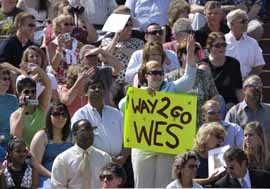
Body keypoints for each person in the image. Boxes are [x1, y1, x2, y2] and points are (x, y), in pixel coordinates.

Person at [118, 35, 196, 188]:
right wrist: (141, 94)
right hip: (142, 148)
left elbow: (189, 79)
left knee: (164, 186)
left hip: (166, 149)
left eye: (160, 72)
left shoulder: (172, 87)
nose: (158, 76)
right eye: (153, 73)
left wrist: (190, 53)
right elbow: (121, 106)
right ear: (145, 75)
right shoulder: (138, 92)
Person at [71, 78, 126, 163]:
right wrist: (105, 158)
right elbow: (80, 142)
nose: (97, 89)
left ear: (104, 92)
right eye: (93, 87)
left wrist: (123, 156)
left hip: (119, 164)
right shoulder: (80, 115)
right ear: (86, 93)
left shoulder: (116, 113)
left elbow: (127, 139)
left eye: (100, 87)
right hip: (92, 163)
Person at [100, 5, 144, 105]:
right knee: (107, 95)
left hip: (130, 81)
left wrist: (119, 49)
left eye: (130, 25)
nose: (129, 28)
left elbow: (139, 55)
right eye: (125, 25)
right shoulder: (107, 40)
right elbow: (104, 58)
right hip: (111, 80)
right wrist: (115, 39)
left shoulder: (138, 42)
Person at [51, 119, 112, 188]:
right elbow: (58, 186)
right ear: (75, 134)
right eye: (84, 130)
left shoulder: (104, 158)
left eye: (91, 130)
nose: (90, 133)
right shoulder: (62, 159)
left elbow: (110, 184)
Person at [30, 102, 73, 188]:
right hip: (47, 176)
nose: (60, 117)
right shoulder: (41, 136)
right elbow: (35, 163)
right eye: (56, 114)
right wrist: (53, 176)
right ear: (49, 116)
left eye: (64, 114)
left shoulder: (73, 136)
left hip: (69, 176)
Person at [10, 65, 51, 147]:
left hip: (44, 150)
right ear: (20, 94)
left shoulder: (41, 106)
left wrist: (38, 70)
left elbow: (48, 85)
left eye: (33, 91)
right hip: (26, 154)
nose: (30, 95)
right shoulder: (15, 115)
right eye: (26, 92)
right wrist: (23, 110)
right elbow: (16, 136)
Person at [201, 32, 242, 108]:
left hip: (231, 106)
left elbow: (239, 90)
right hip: (210, 108)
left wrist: (242, 107)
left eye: (224, 45)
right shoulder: (202, 65)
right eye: (217, 46)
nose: (221, 48)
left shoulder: (234, 63)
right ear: (209, 47)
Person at [225, 9, 265, 80]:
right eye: (242, 21)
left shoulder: (253, 43)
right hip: (225, 84)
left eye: (247, 21)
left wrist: (247, 80)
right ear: (231, 24)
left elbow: (259, 65)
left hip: (246, 86)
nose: (246, 23)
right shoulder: (222, 41)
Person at [47, 14, 83, 84]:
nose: (69, 27)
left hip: (76, 80)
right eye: (66, 24)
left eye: (71, 24)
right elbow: (54, 67)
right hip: (59, 81)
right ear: (58, 27)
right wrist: (59, 48)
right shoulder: (52, 44)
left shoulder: (78, 44)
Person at [192, 122, 226, 186]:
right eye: (217, 136)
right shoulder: (191, 157)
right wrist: (207, 180)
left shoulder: (221, 156)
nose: (220, 140)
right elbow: (185, 181)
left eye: (222, 137)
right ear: (205, 137)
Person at [0, 64, 19, 152]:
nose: (7, 81)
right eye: (4, 79)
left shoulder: (13, 99)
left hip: (12, 142)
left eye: (8, 79)